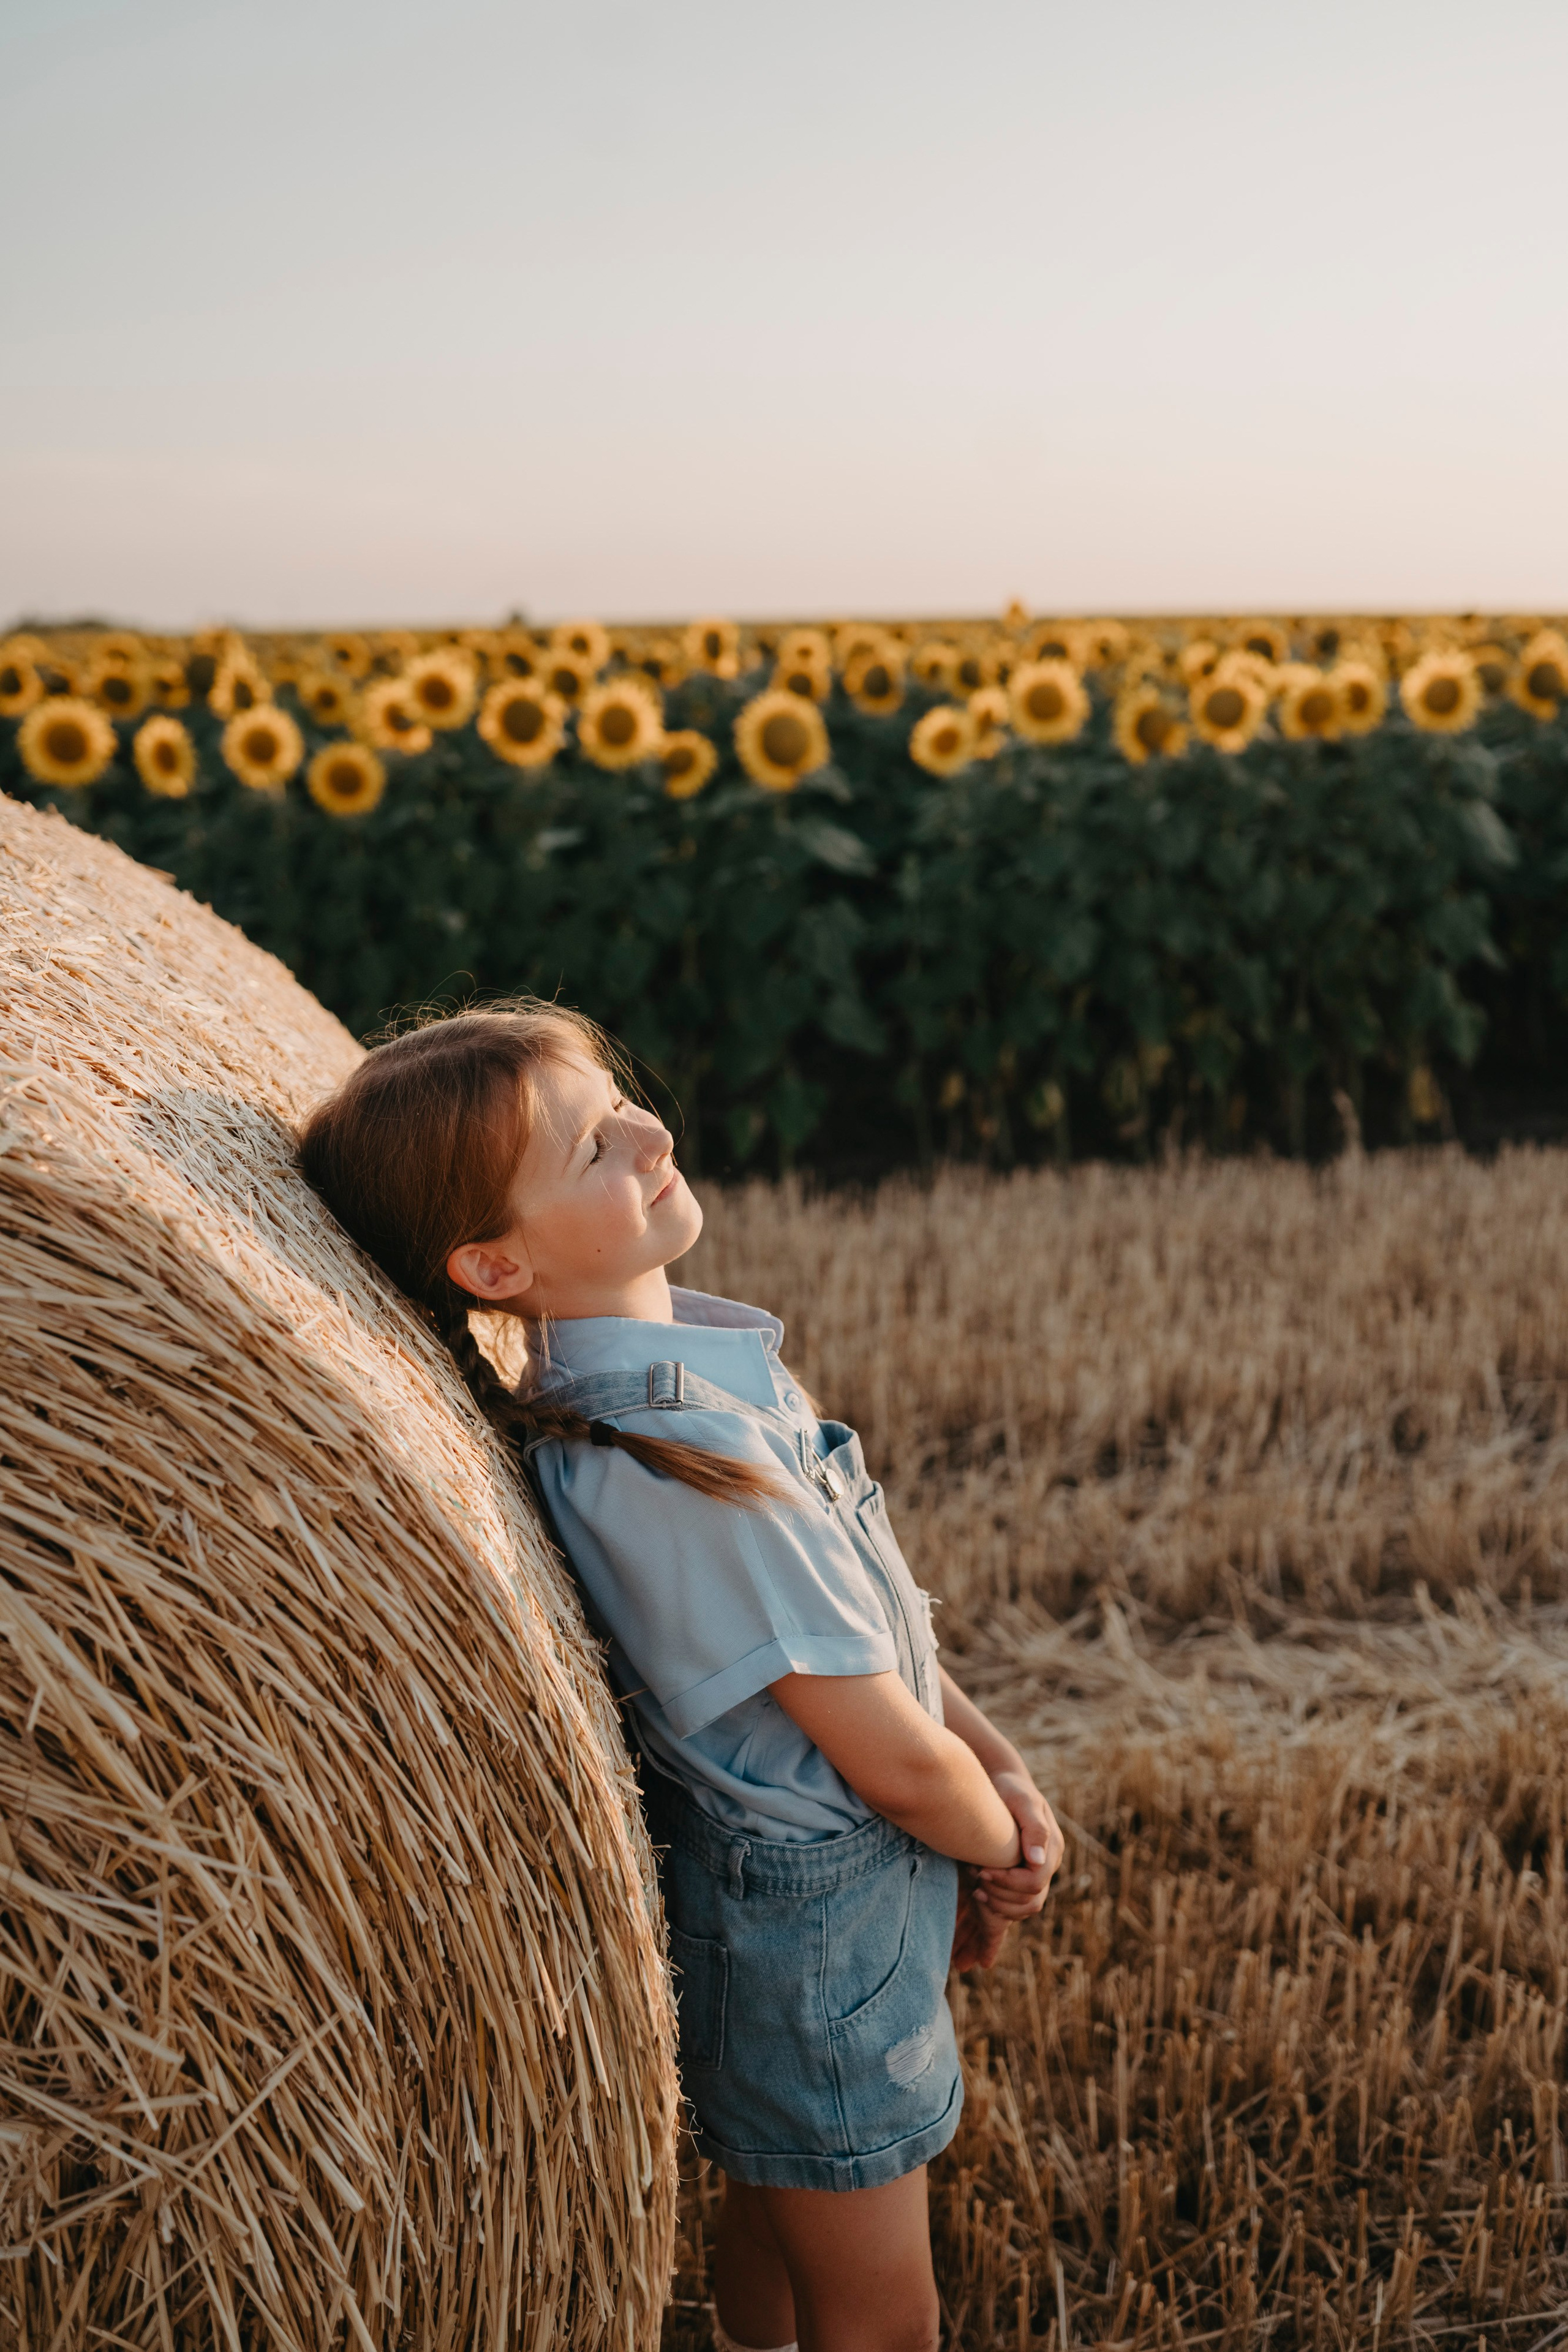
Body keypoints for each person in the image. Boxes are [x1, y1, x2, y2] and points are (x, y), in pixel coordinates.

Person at [300, 1000, 1063, 2352]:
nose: (650, 1133)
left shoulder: (690, 1398)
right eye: (595, 1146)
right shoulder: (678, 1470)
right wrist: (1001, 1842)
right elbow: (890, 1759)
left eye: (620, 1105)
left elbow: (871, 1630)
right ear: (492, 1264)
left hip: (818, 1896)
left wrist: (994, 1763)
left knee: (780, 2205)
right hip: (817, 1931)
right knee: (883, 2316)